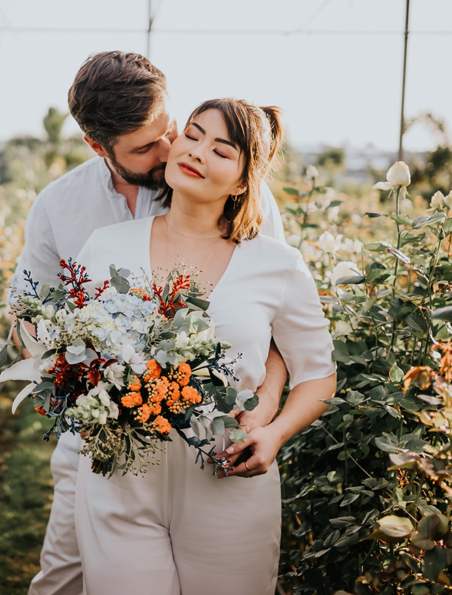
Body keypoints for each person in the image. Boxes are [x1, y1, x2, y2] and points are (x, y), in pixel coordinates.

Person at [10, 52, 290, 595]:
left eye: (169, 128)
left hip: (214, 438)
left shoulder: (238, 193)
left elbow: (279, 319)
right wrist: (73, 378)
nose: (171, 151)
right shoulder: (58, 208)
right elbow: (27, 318)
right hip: (97, 443)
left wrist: (267, 411)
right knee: (62, 581)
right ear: (98, 147)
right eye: (145, 147)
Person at [73, 98, 336, 594]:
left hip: (228, 478)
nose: (196, 152)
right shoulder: (105, 247)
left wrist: (275, 434)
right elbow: (72, 352)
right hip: (120, 479)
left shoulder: (275, 264)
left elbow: (318, 375)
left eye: (221, 149)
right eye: (192, 135)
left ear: (242, 181)